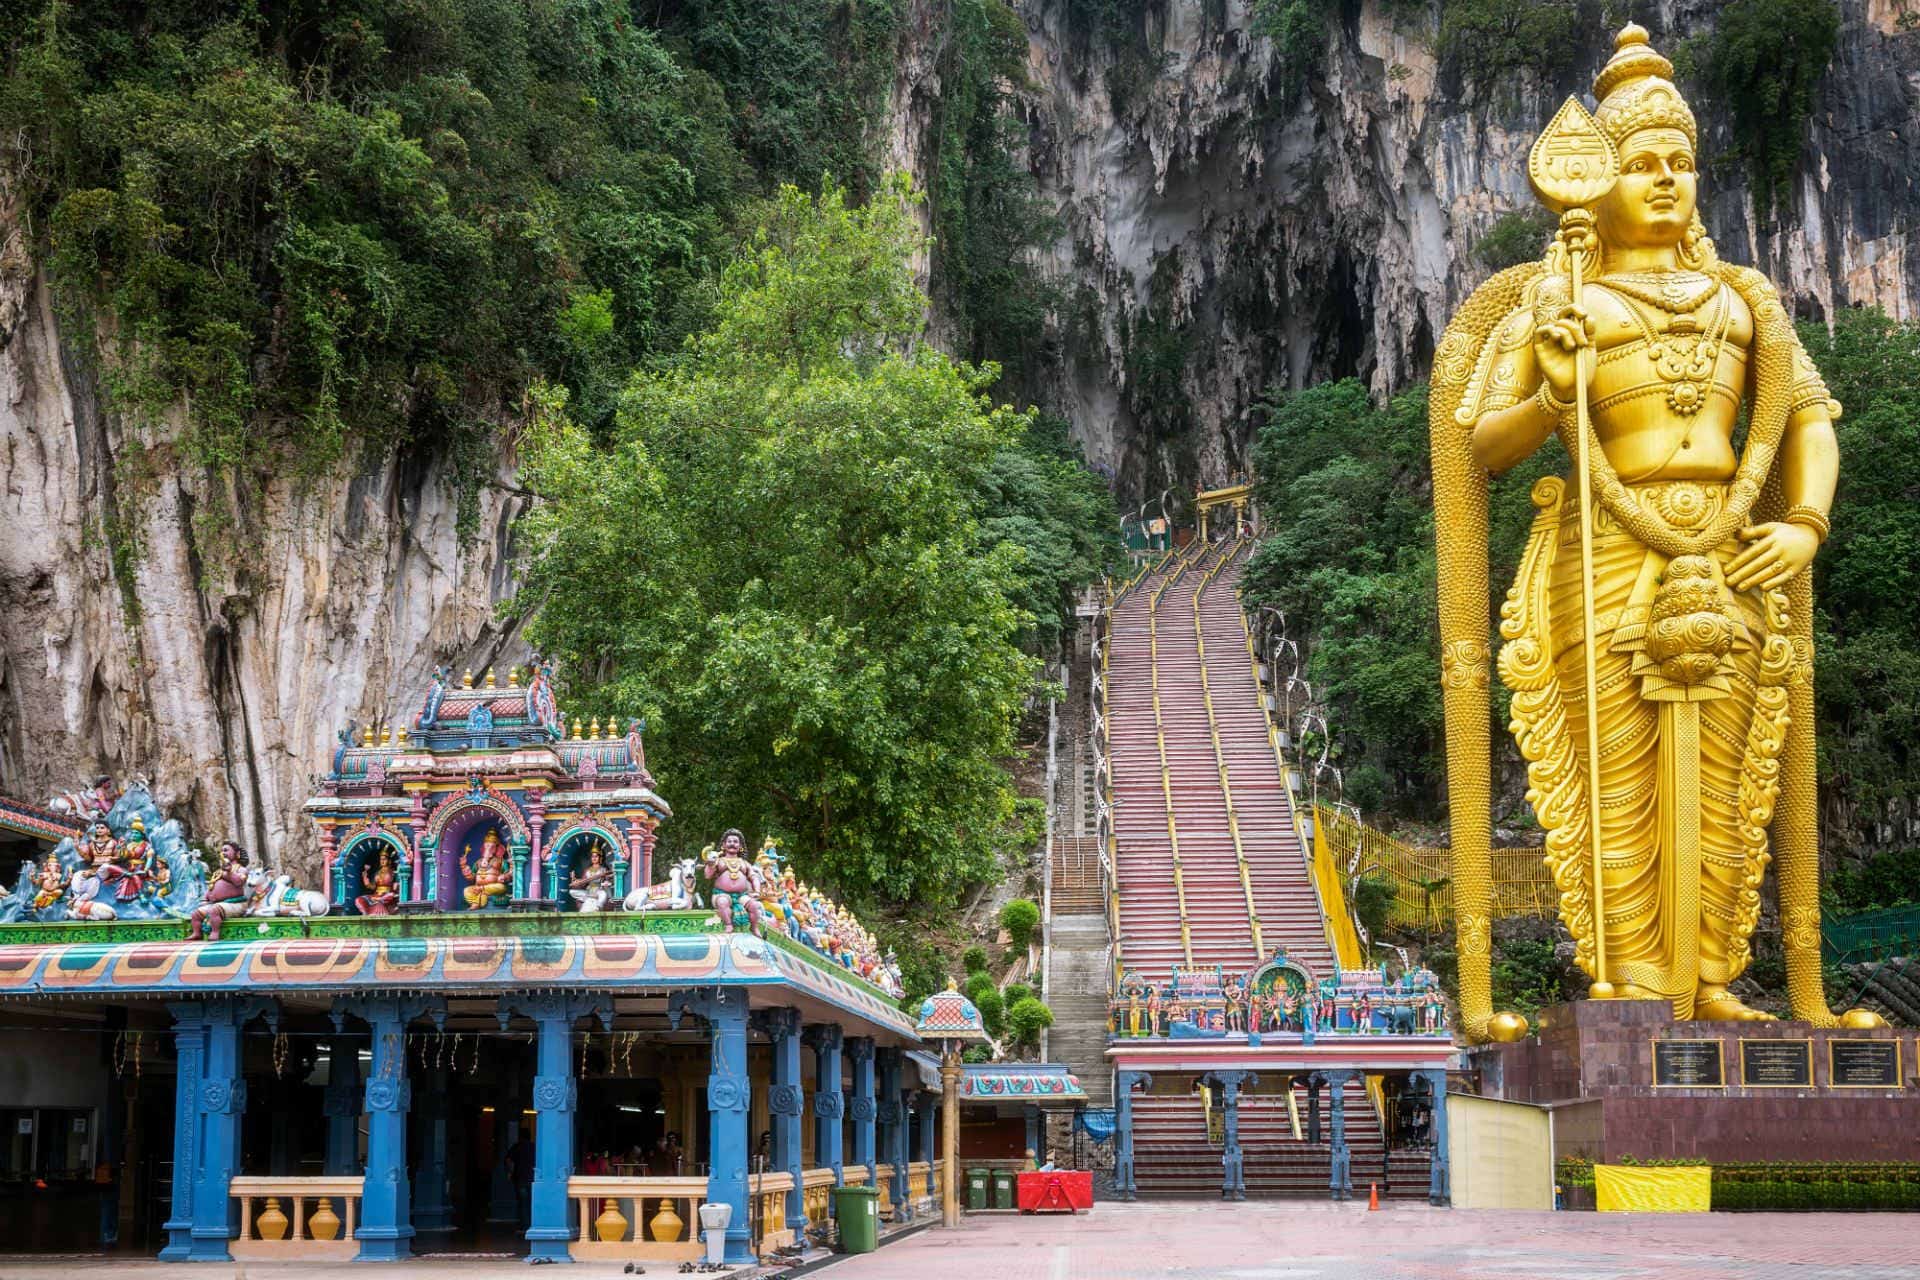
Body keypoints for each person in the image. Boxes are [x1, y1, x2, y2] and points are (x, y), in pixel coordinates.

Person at [1434, 22, 1879, 1032]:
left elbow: (1809, 418)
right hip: (1607, 546)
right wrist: (1553, 388)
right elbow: (1482, 447)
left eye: (1681, 160)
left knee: (1733, 769)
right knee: (1617, 771)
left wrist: (1804, 520)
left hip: (1731, 545)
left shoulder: (1743, 299)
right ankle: (1635, 976)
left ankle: (1715, 973)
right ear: (1598, 180)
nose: (1666, 178)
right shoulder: (1561, 295)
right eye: (1642, 162)